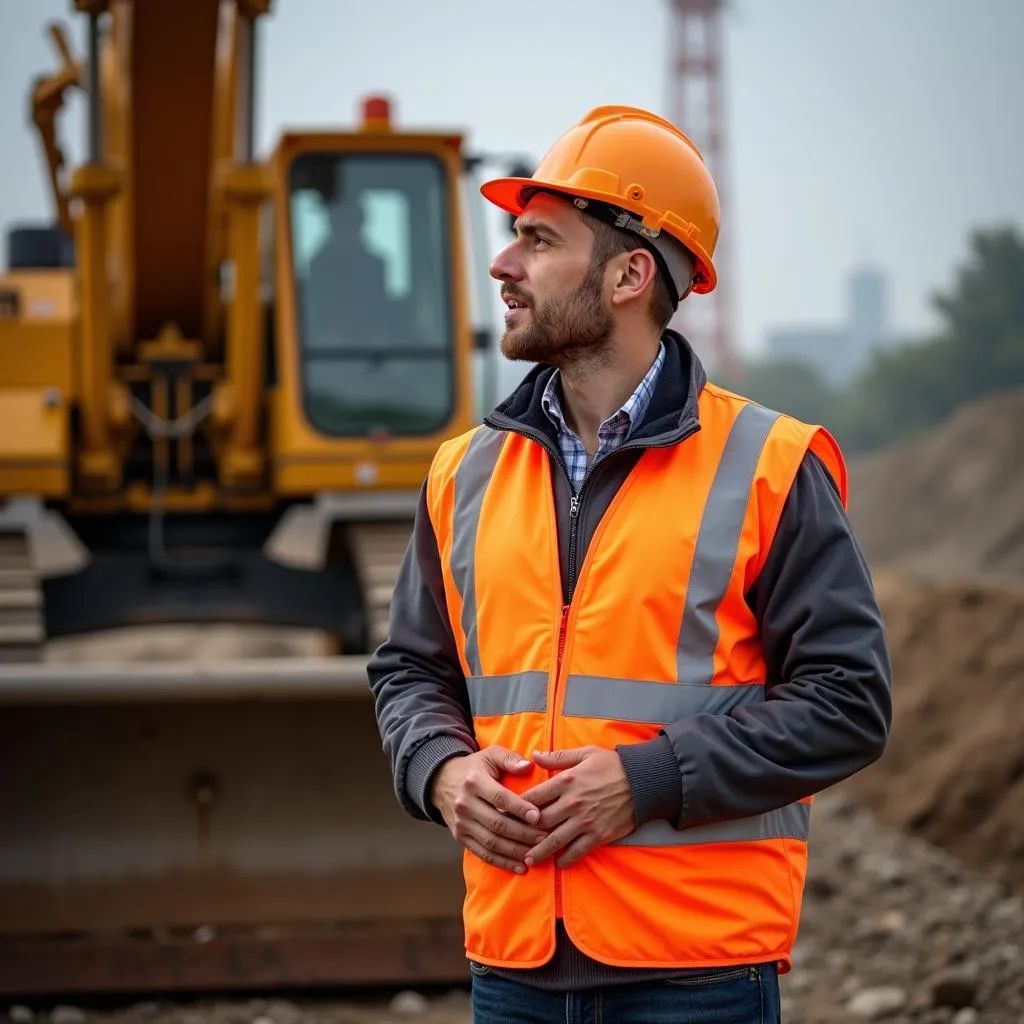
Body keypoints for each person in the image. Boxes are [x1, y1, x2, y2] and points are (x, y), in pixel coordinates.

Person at [366, 105, 892, 1023]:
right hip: (514, 965)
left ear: (628, 275)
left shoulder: (772, 464)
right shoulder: (464, 472)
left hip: (698, 974)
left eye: (537, 240)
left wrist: (648, 780)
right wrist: (442, 773)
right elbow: (412, 670)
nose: (503, 264)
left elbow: (848, 703)